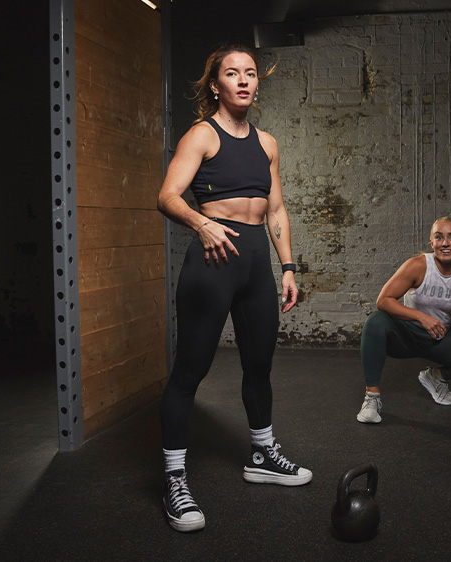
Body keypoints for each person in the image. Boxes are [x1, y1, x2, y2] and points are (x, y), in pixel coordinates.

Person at [156, 44, 311, 533]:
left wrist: (288, 266)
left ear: (256, 83)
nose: (243, 80)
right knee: (190, 371)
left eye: (249, 73)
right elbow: (167, 195)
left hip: (257, 266)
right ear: (216, 85)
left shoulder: (267, 143)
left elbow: (277, 209)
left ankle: (262, 454)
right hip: (213, 259)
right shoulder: (202, 135)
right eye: (231, 73)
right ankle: (174, 479)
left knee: (259, 365)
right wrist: (202, 224)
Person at [356, 217, 451, 423]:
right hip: (405, 336)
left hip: (438, 339)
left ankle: (436, 376)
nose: (445, 243)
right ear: (431, 242)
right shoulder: (417, 266)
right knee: (375, 321)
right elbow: (383, 301)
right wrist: (421, 317)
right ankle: (371, 398)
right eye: (439, 237)